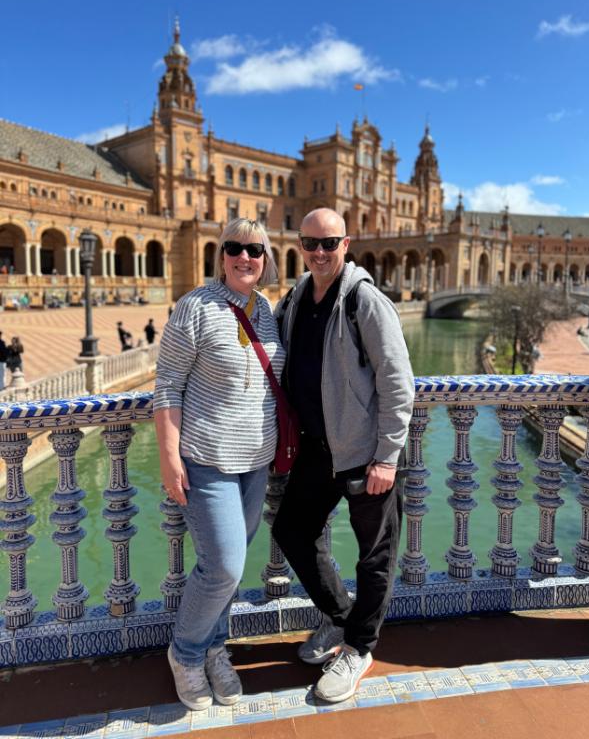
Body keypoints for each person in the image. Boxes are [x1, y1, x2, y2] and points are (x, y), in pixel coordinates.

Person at [272, 208, 415, 704]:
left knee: (375, 554)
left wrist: (387, 456)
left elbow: (398, 380)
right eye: (310, 243)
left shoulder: (364, 299)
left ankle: (360, 647)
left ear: (345, 244)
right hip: (317, 447)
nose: (318, 251)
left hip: (365, 453)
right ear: (300, 245)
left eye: (328, 243)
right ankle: (338, 616)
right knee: (290, 529)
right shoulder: (294, 298)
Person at [154, 217, 284, 711]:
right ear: (220, 254)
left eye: (255, 249)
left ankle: (212, 647)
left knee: (226, 567)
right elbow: (167, 383)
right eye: (235, 248)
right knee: (225, 565)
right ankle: (185, 654)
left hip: (256, 461)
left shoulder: (267, 310)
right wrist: (169, 456)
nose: (244, 257)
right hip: (207, 459)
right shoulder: (195, 307)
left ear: (266, 258)